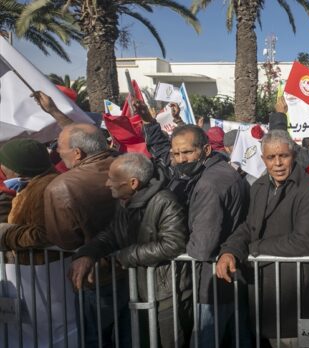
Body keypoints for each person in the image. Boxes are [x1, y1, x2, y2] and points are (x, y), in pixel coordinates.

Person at [140, 103, 250, 347]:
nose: (181, 160)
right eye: (176, 154)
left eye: (187, 153)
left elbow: (201, 247)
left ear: (206, 150)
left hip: (212, 283)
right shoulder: (209, 170)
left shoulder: (209, 184)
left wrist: (169, 242)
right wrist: (150, 123)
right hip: (217, 279)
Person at [217, 130, 309, 347]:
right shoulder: (258, 187)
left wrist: (255, 248)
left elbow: (303, 241)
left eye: (283, 156)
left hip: (294, 296)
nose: (277, 163)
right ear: (263, 159)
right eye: (271, 157)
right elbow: (248, 226)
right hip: (262, 295)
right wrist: (229, 250)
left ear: (294, 155)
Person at [69, 153, 192, 348]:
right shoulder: (125, 201)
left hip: (166, 293)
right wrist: (87, 253)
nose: (107, 184)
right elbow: (111, 234)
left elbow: (173, 244)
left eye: (113, 179)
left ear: (133, 183)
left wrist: (122, 257)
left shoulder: (164, 201)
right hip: (140, 289)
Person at [42, 123, 129, 347]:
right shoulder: (128, 167)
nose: (56, 152)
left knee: (95, 339)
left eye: (58, 147)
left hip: (96, 278)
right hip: (136, 272)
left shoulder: (60, 187)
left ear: (77, 153)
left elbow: (63, 240)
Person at [0, 139, 78, 346]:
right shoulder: (34, 185)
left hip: (45, 277)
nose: (1, 168)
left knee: (49, 335)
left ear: (18, 167)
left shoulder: (45, 189)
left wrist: (6, 235)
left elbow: (46, 233)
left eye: (3, 163)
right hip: (34, 275)